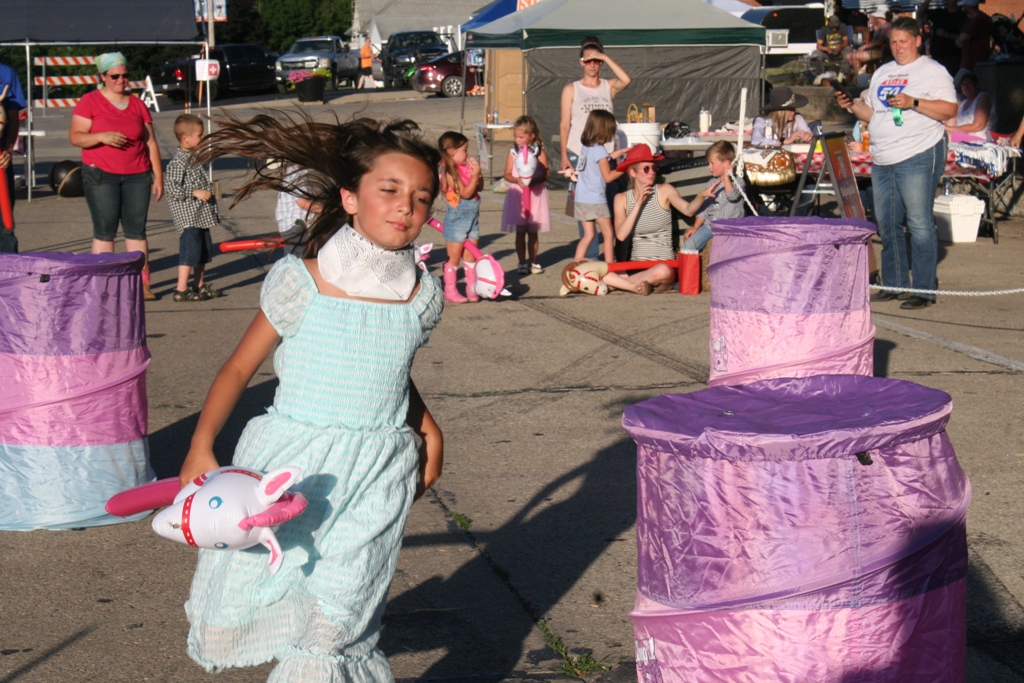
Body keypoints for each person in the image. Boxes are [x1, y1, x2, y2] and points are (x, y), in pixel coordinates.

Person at [177, 113, 444, 682]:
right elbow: (238, 368)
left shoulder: (422, 295)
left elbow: (388, 367)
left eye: (421, 197)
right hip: (293, 468)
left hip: (378, 470)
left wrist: (428, 428)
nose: (406, 206)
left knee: (337, 622)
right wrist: (201, 444)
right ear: (349, 198)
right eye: (389, 189)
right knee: (258, 597)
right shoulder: (301, 281)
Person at [836, 17, 957, 310]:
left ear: (918, 41)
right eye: (893, 42)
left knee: (918, 222)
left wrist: (913, 102)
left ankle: (923, 289)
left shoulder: (932, 71)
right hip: (883, 156)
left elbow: (949, 110)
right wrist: (852, 106)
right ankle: (895, 283)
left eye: (904, 41)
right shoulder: (883, 72)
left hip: (918, 151)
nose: (898, 47)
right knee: (887, 223)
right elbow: (875, 116)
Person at [70, 52, 163, 301]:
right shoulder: (90, 101)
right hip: (101, 174)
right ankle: (103, 284)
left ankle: (142, 282)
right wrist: (102, 137)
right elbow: (76, 136)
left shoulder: (137, 104)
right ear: (102, 76)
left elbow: (150, 142)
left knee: (136, 231)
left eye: (125, 75)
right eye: (114, 76)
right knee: (105, 231)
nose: (121, 80)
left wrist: (158, 175)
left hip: (137, 175)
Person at [559, 36, 631, 259]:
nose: (592, 64)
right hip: (579, 151)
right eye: (588, 60)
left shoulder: (608, 86)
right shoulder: (572, 89)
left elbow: (626, 80)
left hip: (605, 151)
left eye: (596, 61)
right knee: (586, 202)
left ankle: (613, 255)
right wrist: (564, 155)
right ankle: (589, 258)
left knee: (608, 198)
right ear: (581, 62)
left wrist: (605, 58)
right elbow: (564, 124)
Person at [602, 145, 684, 295]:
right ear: (633, 172)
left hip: (662, 267)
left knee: (663, 271)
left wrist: (701, 197)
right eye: (646, 169)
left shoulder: (664, 190)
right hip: (636, 267)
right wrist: (638, 203)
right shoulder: (621, 198)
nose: (652, 172)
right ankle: (633, 286)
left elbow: (688, 209)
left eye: (654, 168)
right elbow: (621, 235)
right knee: (590, 264)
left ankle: (616, 285)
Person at [165, 114, 220, 302]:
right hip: (189, 218)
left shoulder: (194, 158)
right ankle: (181, 289)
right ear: (185, 138)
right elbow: (171, 188)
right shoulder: (178, 163)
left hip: (201, 216)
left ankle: (199, 284)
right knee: (190, 252)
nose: (202, 138)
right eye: (199, 135)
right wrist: (194, 192)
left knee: (203, 252)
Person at [572, 110, 627, 263]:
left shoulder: (587, 147)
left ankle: (576, 265)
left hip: (582, 199)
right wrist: (625, 167)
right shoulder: (600, 150)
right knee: (608, 233)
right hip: (596, 200)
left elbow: (602, 160)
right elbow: (608, 176)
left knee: (588, 235)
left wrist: (620, 152)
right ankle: (610, 266)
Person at [501, 115, 551, 275]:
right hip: (518, 195)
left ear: (531, 136)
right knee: (520, 232)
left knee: (533, 232)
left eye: (521, 137)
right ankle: (522, 262)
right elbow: (507, 174)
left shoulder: (538, 153)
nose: (517, 140)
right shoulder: (513, 153)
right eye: (515, 136)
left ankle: (533, 262)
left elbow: (546, 173)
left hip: (535, 195)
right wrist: (516, 180)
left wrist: (534, 180)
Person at [437, 131, 482, 303]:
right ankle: (450, 290)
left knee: (471, 255)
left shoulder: (464, 169)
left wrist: (477, 174)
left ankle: (472, 288)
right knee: (454, 257)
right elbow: (466, 193)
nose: (467, 153)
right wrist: (474, 177)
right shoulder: (450, 173)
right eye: (464, 149)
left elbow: (479, 187)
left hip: (472, 219)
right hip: (457, 220)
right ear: (452, 152)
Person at [679, 141, 746, 252]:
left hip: (731, 226)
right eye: (708, 163)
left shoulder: (738, 182)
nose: (709, 167)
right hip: (710, 225)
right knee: (689, 245)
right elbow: (704, 209)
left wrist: (726, 178)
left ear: (726, 163)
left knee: (727, 251)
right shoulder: (711, 183)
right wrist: (696, 227)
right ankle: (689, 262)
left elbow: (732, 196)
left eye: (712, 163)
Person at [0, 60, 26, 254]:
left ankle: (8, 270)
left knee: (5, 228)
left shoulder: (6, 73)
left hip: (1, 162)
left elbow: (13, 117)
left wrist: (8, 149)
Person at [945, 71, 994, 141]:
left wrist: (950, 129)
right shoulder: (963, 103)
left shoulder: (983, 97)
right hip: (961, 138)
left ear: (976, 85)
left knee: (946, 136)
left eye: (969, 83)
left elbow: (978, 126)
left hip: (979, 140)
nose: (966, 87)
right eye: (963, 84)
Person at [954, 0, 992, 86]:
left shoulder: (979, 20)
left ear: (968, 6)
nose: (962, 8)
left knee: (954, 87)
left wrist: (960, 40)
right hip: (967, 63)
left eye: (963, 5)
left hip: (973, 64)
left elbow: (962, 38)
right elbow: (959, 41)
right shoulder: (970, 20)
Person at [927, 0, 966, 77]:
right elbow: (920, 14)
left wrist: (946, 34)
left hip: (951, 57)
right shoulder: (940, 13)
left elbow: (962, 37)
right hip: (936, 55)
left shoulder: (961, 17)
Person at [848, 9, 891, 74]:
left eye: (873, 18)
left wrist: (864, 46)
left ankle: (859, 75)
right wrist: (872, 27)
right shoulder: (880, 26)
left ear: (878, 17)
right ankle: (862, 71)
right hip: (874, 49)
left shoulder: (886, 26)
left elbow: (879, 42)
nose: (871, 19)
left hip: (880, 51)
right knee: (849, 56)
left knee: (855, 56)